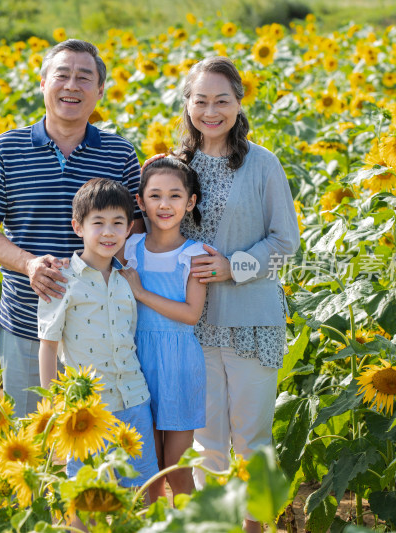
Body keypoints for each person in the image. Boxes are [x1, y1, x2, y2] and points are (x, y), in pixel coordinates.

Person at [0, 39, 142, 418]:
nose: (72, 86)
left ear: (99, 91)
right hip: (28, 318)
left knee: (101, 443)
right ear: (43, 83)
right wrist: (29, 264)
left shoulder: (121, 154)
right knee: (34, 435)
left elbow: (137, 232)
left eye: (84, 77)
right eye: (62, 75)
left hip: (102, 329)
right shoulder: (4, 149)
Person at [172, 56, 300, 533]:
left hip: (252, 322)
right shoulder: (174, 165)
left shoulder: (263, 163)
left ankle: (255, 527)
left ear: (238, 103)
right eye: (200, 100)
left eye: (221, 100)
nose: (210, 110)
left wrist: (233, 267)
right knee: (206, 441)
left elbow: (286, 243)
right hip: (194, 324)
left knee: (252, 439)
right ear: (187, 105)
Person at [37, 178, 158, 491]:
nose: (108, 232)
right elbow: (48, 346)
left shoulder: (128, 277)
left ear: (129, 227)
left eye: (118, 223)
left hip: (134, 399)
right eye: (98, 223)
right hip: (87, 408)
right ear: (78, 227)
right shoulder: (60, 279)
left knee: (142, 487)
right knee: (85, 490)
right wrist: (54, 406)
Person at [118, 156, 207, 500]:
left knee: (177, 466)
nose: (164, 204)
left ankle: (193, 525)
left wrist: (141, 292)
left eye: (174, 195)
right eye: (154, 196)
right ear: (139, 202)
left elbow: (190, 314)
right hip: (136, 362)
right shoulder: (129, 249)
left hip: (179, 365)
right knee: (146, 466)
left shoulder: (196, 255)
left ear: (190, 202)